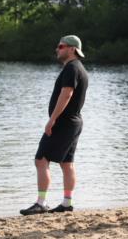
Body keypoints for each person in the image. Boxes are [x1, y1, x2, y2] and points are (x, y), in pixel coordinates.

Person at [20, 35, 89, 215]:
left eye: (61, 46)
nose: (57, 49)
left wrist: (52, 120)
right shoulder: (79, 68)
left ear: (72, 49)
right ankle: (67, 203)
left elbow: (66, 94)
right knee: (67, 163)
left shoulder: (72, 68)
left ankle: (41, 203)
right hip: (74, 122)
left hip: (64, 122)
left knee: (41, 159)